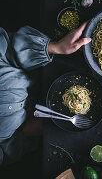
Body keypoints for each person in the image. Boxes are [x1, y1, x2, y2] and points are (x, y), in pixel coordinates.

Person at [0, 22, 91, 165]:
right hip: (37, 125)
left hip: (42, 66)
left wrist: (55, 47)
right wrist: (26, 133)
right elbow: (5, 154)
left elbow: (7, 46)